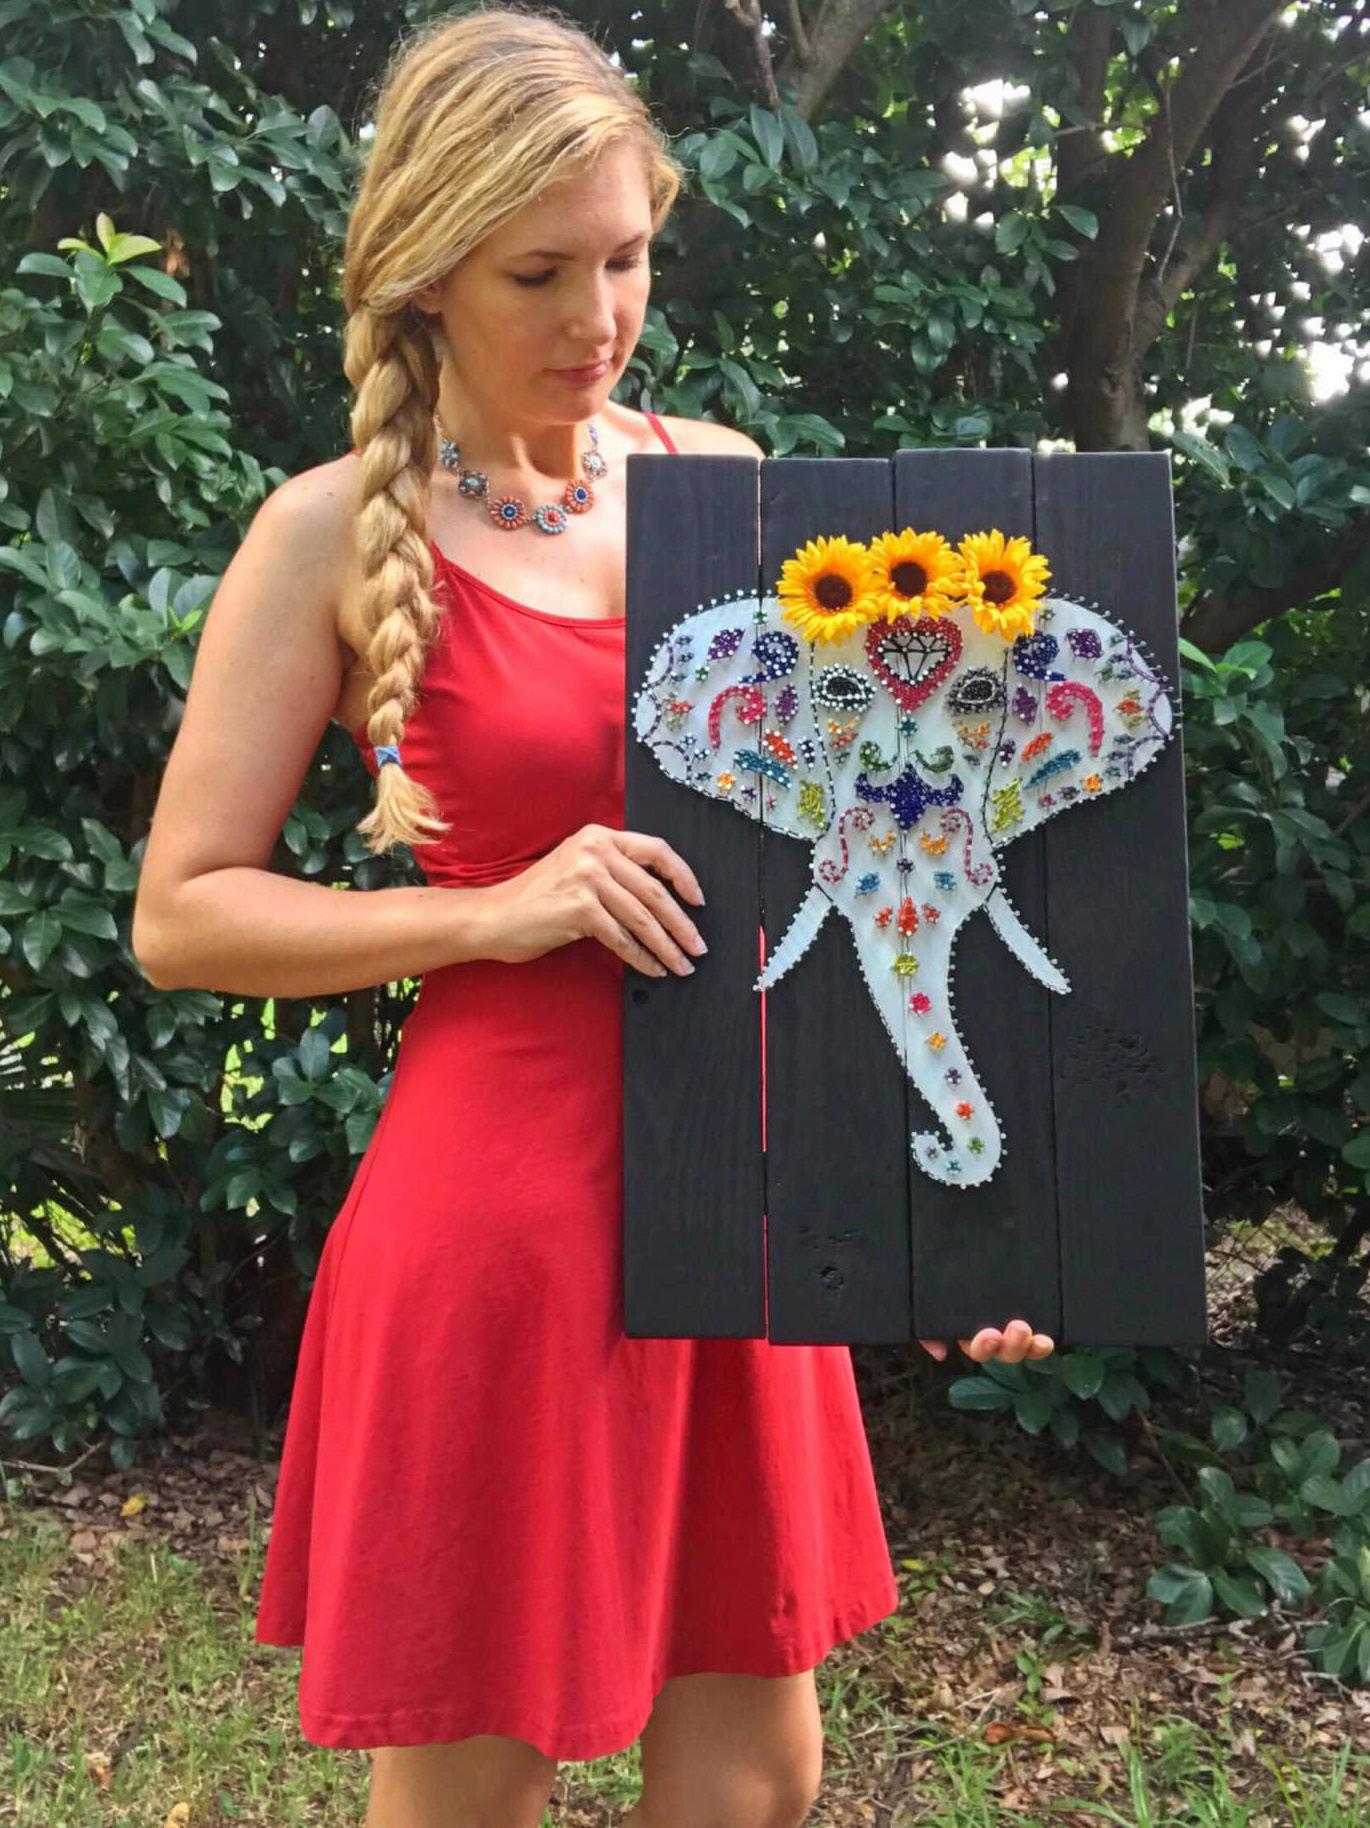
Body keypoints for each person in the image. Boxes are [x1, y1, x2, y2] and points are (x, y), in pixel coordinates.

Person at [131, 6, 1055, 1825]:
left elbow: (858, 869)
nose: (598, 316)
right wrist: (493, 913)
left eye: (625, 258)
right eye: (538, 273)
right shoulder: (325, 532)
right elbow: (182, 916)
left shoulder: (727, 486)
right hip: (503, 1215)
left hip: (738, 1198)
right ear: (425, 271)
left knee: (756, 1779)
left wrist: (920, 1215)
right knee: (475, 1782)